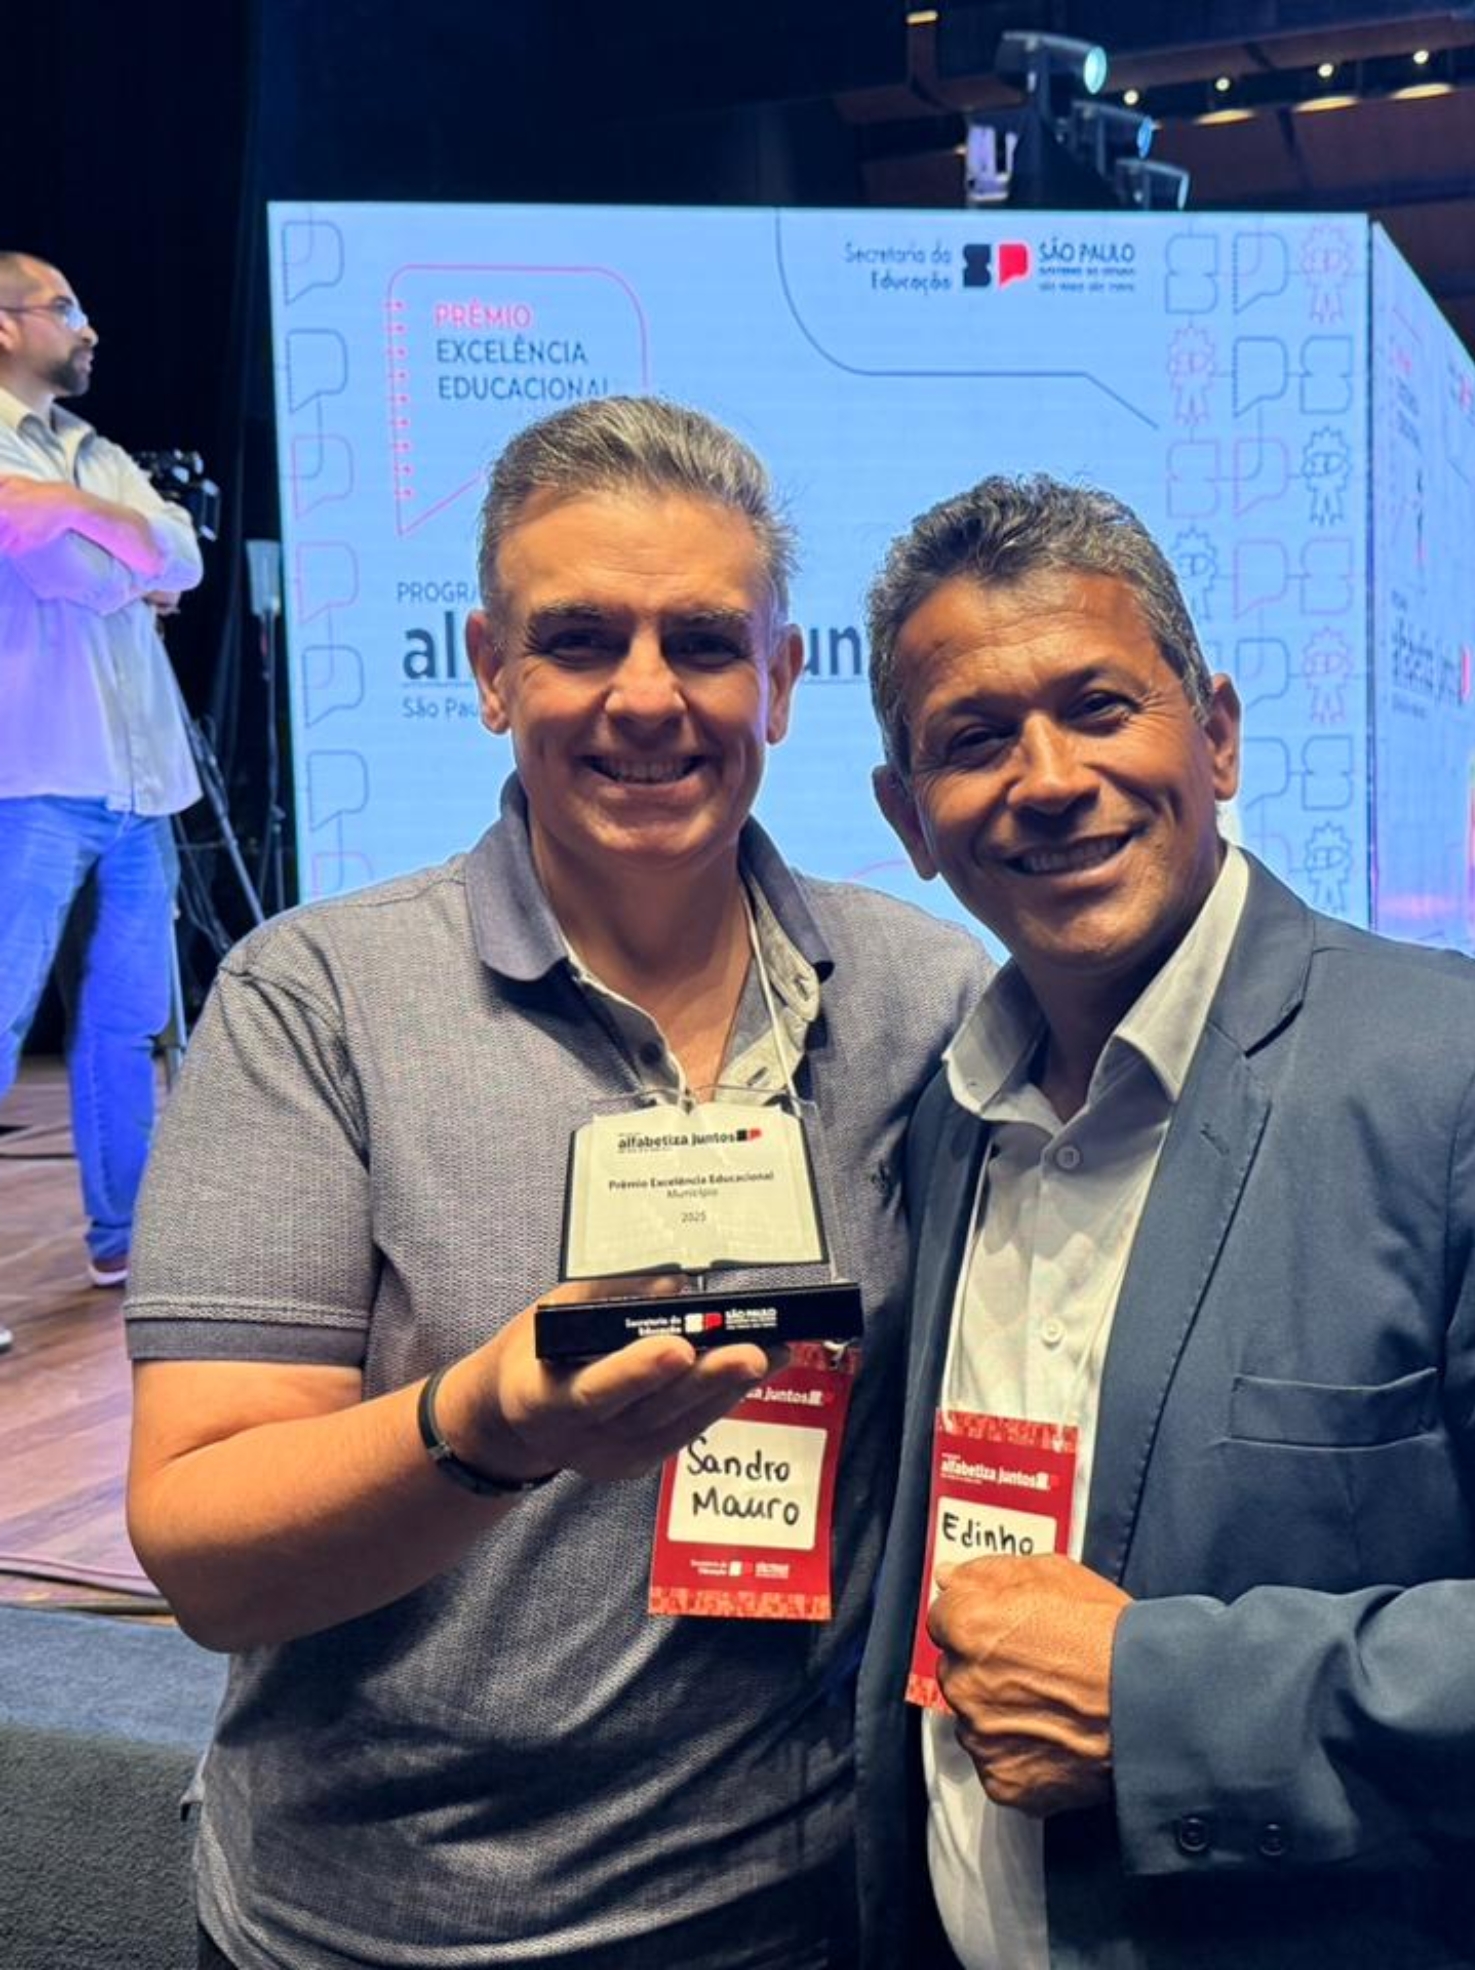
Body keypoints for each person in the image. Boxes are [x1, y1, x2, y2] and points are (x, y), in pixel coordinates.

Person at [854, 475, 1475, 1970]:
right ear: (908, 820)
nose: (1046, 777)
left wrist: (1157, 1703)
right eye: (971, 739)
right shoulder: (947, 1120)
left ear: (1220, 732)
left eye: (1100, 705)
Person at [122, 397, 988, 1970]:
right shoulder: (316, 1002)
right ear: (490, 670)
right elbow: (202, 1548)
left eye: (705, 642)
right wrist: (484, 1427)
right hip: (384, 1930)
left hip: (800, 1919)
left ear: (783, 681)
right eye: (581, 639)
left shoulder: (924, 1002)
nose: (645, 698)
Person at [0, 251, 203, 1352]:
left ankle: (124, 1237)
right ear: (3, 324)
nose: (88, 327)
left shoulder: (90, 449)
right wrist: (127, 549)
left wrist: (99, 524)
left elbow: (185, 557)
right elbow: (57, 567)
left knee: (128, 1023)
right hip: (31, 777)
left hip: (138, 781)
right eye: (67, 307)